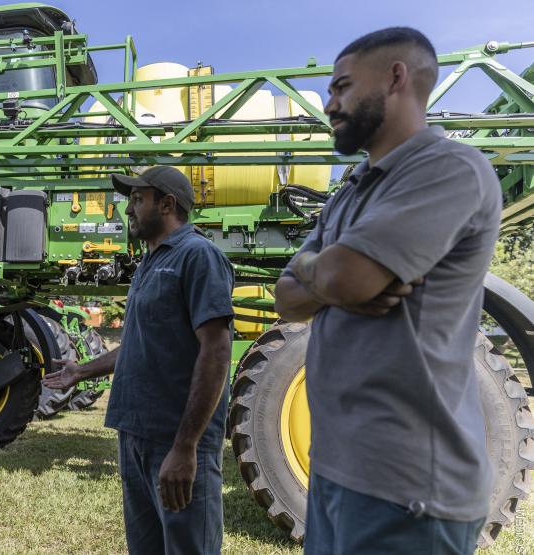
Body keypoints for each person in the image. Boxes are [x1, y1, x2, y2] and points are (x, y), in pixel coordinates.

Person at [274, 27, 500, 554]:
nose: (329, 104)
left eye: (342, 87)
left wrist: (325, 275)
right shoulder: (348, 193)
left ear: (396, 77)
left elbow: (344, 279)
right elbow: (287, 298)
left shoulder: (448, 169)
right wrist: (322, 272)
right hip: (336, 473)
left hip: (408, 492)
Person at [43, 165, 234, 555]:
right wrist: (81, 371)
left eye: (137, 199)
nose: (127, 209)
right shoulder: (148, 263)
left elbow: (216, 352)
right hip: (135, 434)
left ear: (167, 205)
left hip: (174, 439)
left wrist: (186, 447)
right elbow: (138, 343)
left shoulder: (198, 256)